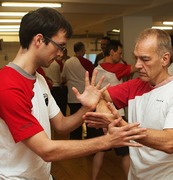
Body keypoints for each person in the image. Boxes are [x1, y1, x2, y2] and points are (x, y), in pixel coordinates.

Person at [0, 7, 147, 179]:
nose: (61, 53)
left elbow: (62, 125)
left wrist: (87, 107)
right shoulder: (7, 86)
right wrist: (107, 141)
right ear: (39, 40)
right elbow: (46, 150)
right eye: (60, 46)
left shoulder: (38, 79)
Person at [84, 28, 173, 180]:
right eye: (136, 58)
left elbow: (170, 142)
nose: (138, 65)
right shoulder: (135, 85)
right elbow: (101, 95)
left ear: (165, 59)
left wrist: (120, 124)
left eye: (145, 59)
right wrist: (103, 109)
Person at [90, 40, 137, 180]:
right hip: (116, 115)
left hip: (99, 114)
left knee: (100, 150)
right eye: (119, 53)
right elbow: (136, 68)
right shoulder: (115, 68)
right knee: (125, 152)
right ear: (112, 52)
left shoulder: (97, 68)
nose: (121, 56)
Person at [62, 41, 95, 140]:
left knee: (75, 121)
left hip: (72, 96)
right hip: (85, 96)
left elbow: (63, 78)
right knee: (89, 119)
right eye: (84, 49)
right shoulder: (86, 63)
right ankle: (90, 139)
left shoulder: (67, 62)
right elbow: (93, 76)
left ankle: (74, 140)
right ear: (81, 50)